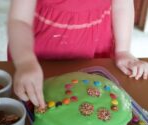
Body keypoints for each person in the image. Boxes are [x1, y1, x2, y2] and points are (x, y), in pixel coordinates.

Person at [8, 0, 148, 108]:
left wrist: (123, 50)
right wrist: (25, 61)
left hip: (94, 52)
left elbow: (122, 6)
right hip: (38, 60)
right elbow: (19, 20)